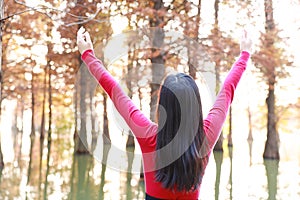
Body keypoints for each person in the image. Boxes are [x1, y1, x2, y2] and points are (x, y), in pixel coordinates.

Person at [77, 27, 252, 199]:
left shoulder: (147, 135)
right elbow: (227, 90)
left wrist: (88, 55)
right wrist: (244, 55)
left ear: (163, 106)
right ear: (195, 106)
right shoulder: (206, 136)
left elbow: (116, 92)